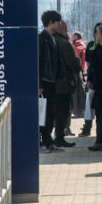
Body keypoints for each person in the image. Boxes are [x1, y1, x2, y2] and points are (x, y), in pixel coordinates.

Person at [37, 10, 64, 153]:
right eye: (57, 22)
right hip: (45, 82)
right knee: (43, 112)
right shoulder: (41, 39)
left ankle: (48, 141)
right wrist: (39, 84)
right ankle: (42, 142)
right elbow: (38, 62)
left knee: (50, 113)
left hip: (52, 81)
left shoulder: (54, 38)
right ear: (50, 22)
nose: (60, 24)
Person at [52, 20, 81, 147]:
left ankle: (53, 137)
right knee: (62, 111)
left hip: (53, 83)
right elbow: (73, 64)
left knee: (55, 111)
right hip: (64, 84)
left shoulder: (52, 42)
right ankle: (59, 137)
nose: (67, 30)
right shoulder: (65, 44)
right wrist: (77, 63)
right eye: (65, 28)